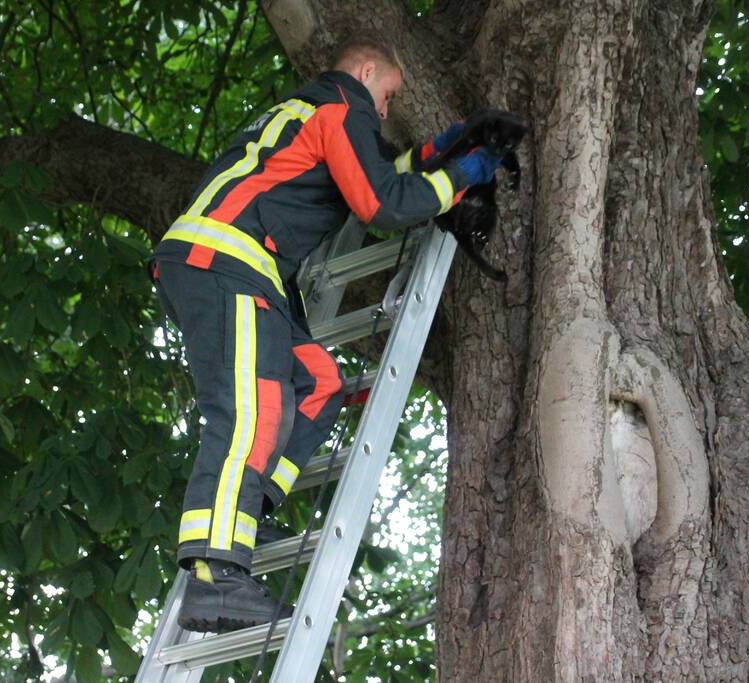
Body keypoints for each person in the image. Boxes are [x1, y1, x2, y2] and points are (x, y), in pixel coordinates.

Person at [149, 33, 503, 633]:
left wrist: (441, 148)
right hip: (225, 263)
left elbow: (371, 177)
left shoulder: (314, 113)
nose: (386, 110)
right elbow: (381, 205)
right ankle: (213, 575)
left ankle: (247, 508)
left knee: (318, 383)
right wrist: (464, 172)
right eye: (388, 95)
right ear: (366, 71)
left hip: (250, 269)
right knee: (248, 413)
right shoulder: (340, 107)